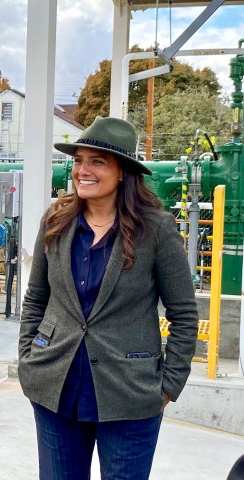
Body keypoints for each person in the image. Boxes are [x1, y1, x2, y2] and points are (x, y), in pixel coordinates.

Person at [18, 116, 199, 479]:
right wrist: (28, 358)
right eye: (79, 161)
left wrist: (167, 387)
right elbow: (36, 298)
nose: (83, 170)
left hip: (129, 395)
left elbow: (184, 314)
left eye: (96, 162)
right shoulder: (56, 221)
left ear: (123, 172)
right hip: (56, 387)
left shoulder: (156, 230)